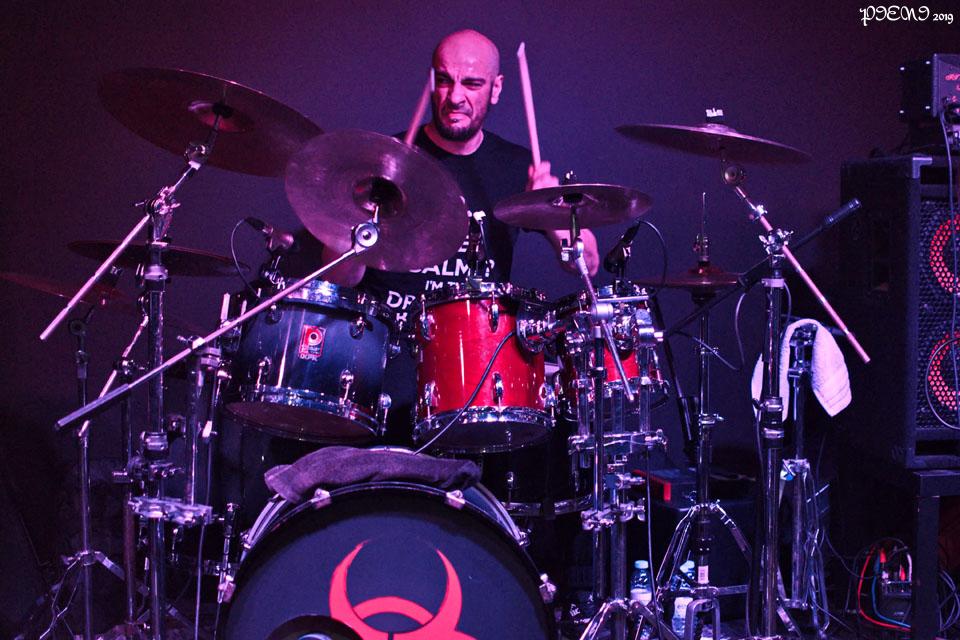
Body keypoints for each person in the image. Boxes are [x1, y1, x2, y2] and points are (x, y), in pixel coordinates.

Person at [321, 29, 599, 443]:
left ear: (496, 89)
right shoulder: (387, 161)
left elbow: (586, 264)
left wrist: (552, 212)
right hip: (386, 361)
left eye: (471, 84)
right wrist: (362, 220)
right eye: (444, 80)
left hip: (476, 368)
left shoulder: (515, 167)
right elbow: (338, 279)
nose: (455, 97)